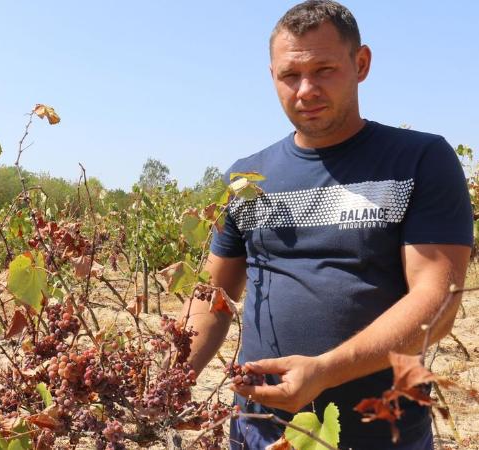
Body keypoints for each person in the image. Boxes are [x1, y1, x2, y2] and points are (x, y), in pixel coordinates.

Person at [181, 1, 473, 449]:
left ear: (361, 64)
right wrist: (166, 381)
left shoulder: (419, 160)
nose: (306, 90)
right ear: (272, 76)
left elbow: (437, 302)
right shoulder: (246, 181)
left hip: (379, 434)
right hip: (260, 432)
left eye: (324, 70)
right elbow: (212, 300)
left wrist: (324, 372)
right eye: (289, 76)